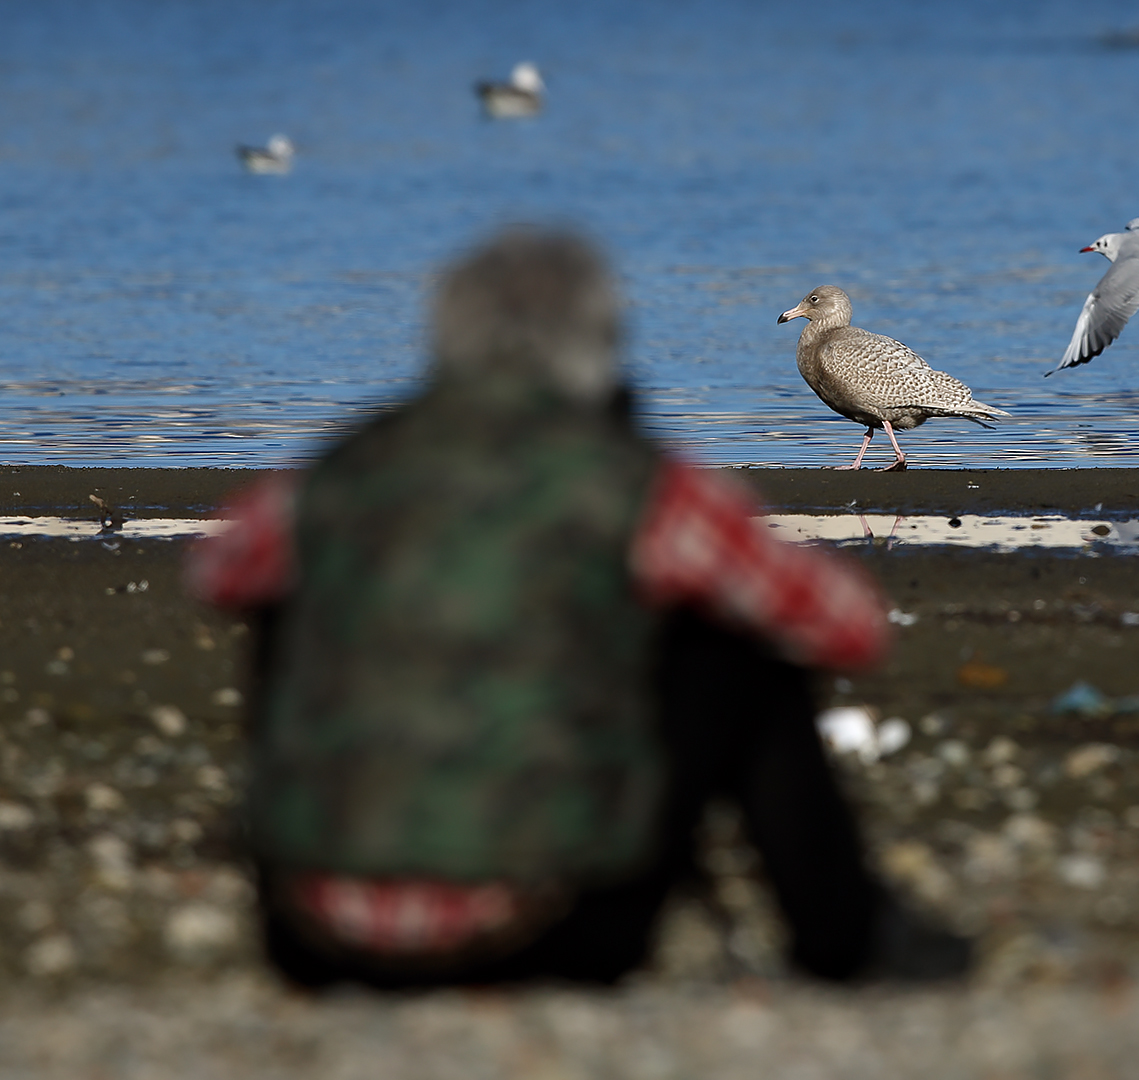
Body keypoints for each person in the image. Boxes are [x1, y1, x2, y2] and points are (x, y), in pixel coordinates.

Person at [188, 229, 969, 988]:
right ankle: (838, 941)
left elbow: (217, 575)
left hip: (315, 944)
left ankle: (326, 857)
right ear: (602, 347)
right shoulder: (636, 487)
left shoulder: (337, 472)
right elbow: (847, 626)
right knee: (737, 648)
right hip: (557, 932)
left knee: (290, 603)